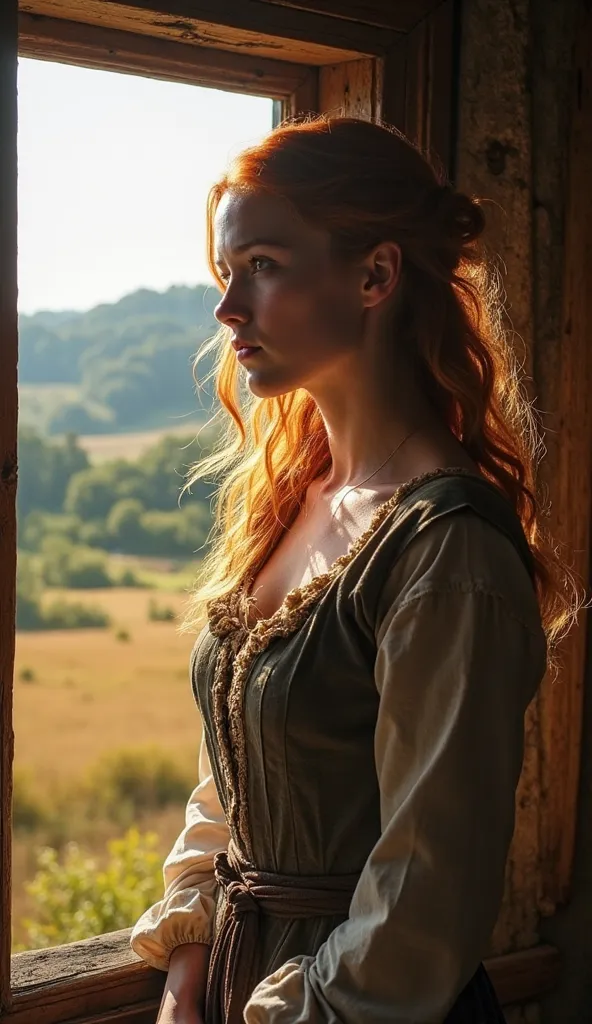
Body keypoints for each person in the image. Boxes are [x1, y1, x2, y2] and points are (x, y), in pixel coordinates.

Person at [129, 116, 577, 1024]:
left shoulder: (447, 550)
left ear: (374, 274)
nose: (228, 310)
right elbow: (238, 776)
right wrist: (188, 967)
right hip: (230, 987)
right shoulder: (290, 502)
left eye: (262, 264)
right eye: (228, 272)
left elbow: (427, 898)